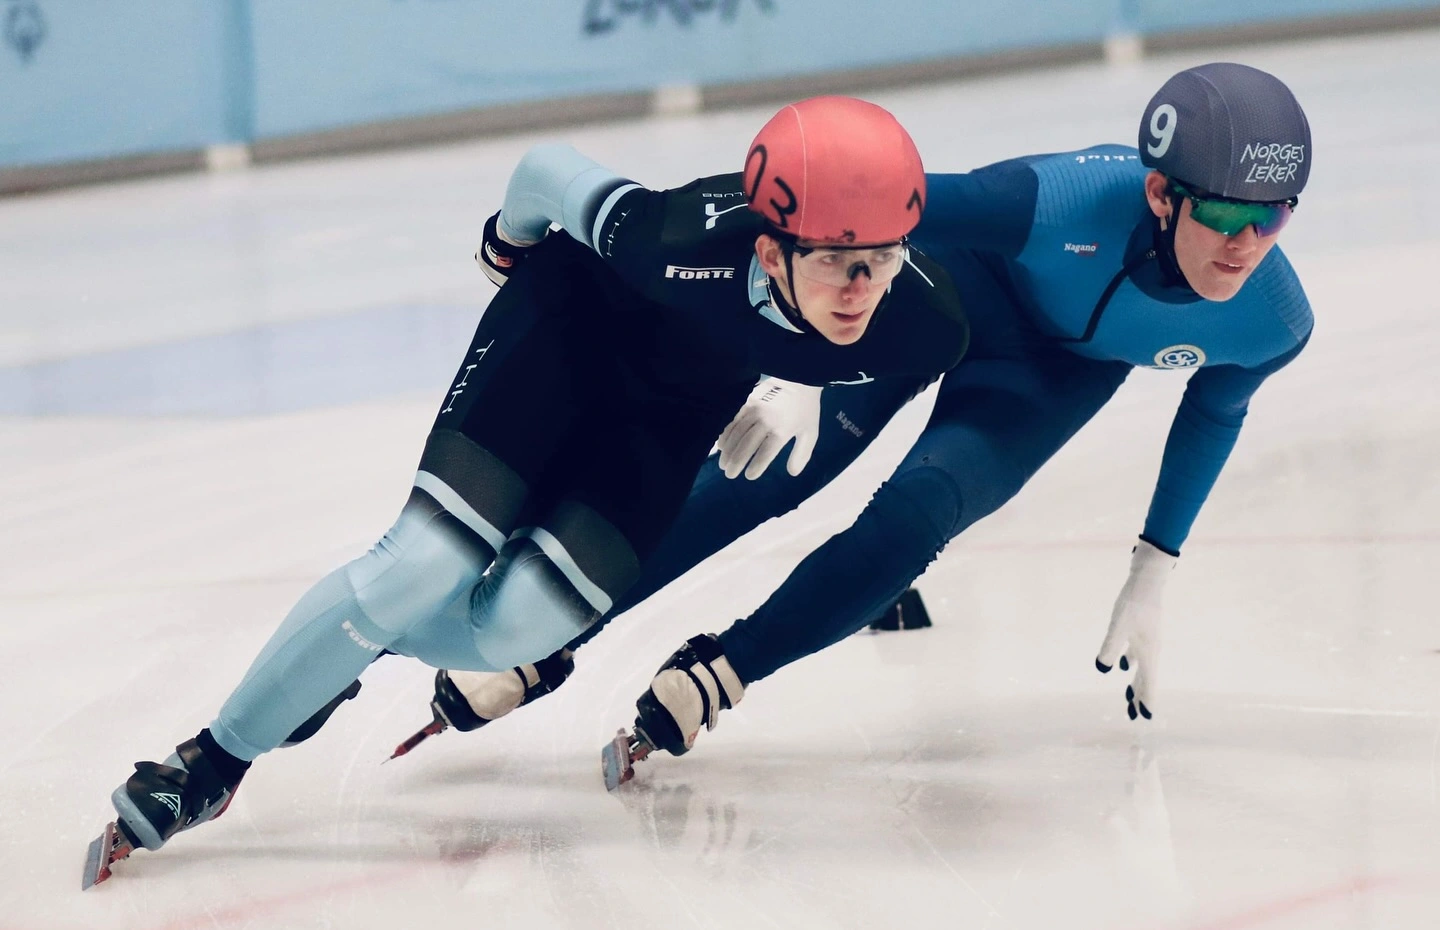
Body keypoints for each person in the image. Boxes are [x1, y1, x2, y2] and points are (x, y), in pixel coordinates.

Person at [83, 95, 970, 886]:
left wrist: (810, 373)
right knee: (422, 564)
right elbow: (546, 170)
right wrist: (504, 243)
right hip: (566, 337)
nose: (860, 291)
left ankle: (341, 654)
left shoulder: (923, 321)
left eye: (882, 260)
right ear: (770, 249)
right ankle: (210, 763)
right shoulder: (674, 238)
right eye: (833, 265)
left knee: (519, 629)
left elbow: (870, 349)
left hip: (664, 419)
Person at [398, 62, 1314, 783]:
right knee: (766, 471)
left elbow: (1212, 416)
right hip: (932, 300)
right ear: (1162, 196)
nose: (1245, 244)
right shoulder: (1062, 200)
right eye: (1227, 213)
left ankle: (724, 671)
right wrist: (794, 348)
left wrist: (1156, 564)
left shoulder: (1272, 321)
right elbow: (851, 206)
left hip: (1050, 379)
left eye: (1270, 218)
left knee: (919, 516)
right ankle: (554, 634)